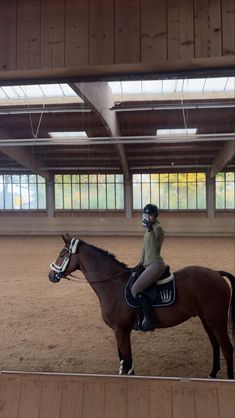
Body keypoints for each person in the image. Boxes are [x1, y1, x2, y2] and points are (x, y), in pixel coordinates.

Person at [131, 203, 166, 331]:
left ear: (155, 216)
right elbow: (144, 250)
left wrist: (151, 228)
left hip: (155, 264)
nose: (147, 217)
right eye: (146, 215)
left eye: (150, 215)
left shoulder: (158, 229)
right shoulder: (148, 231)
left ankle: (149, 321)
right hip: (147, 265)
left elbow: (157, 241)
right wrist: (140, 263)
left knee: (135, 289)